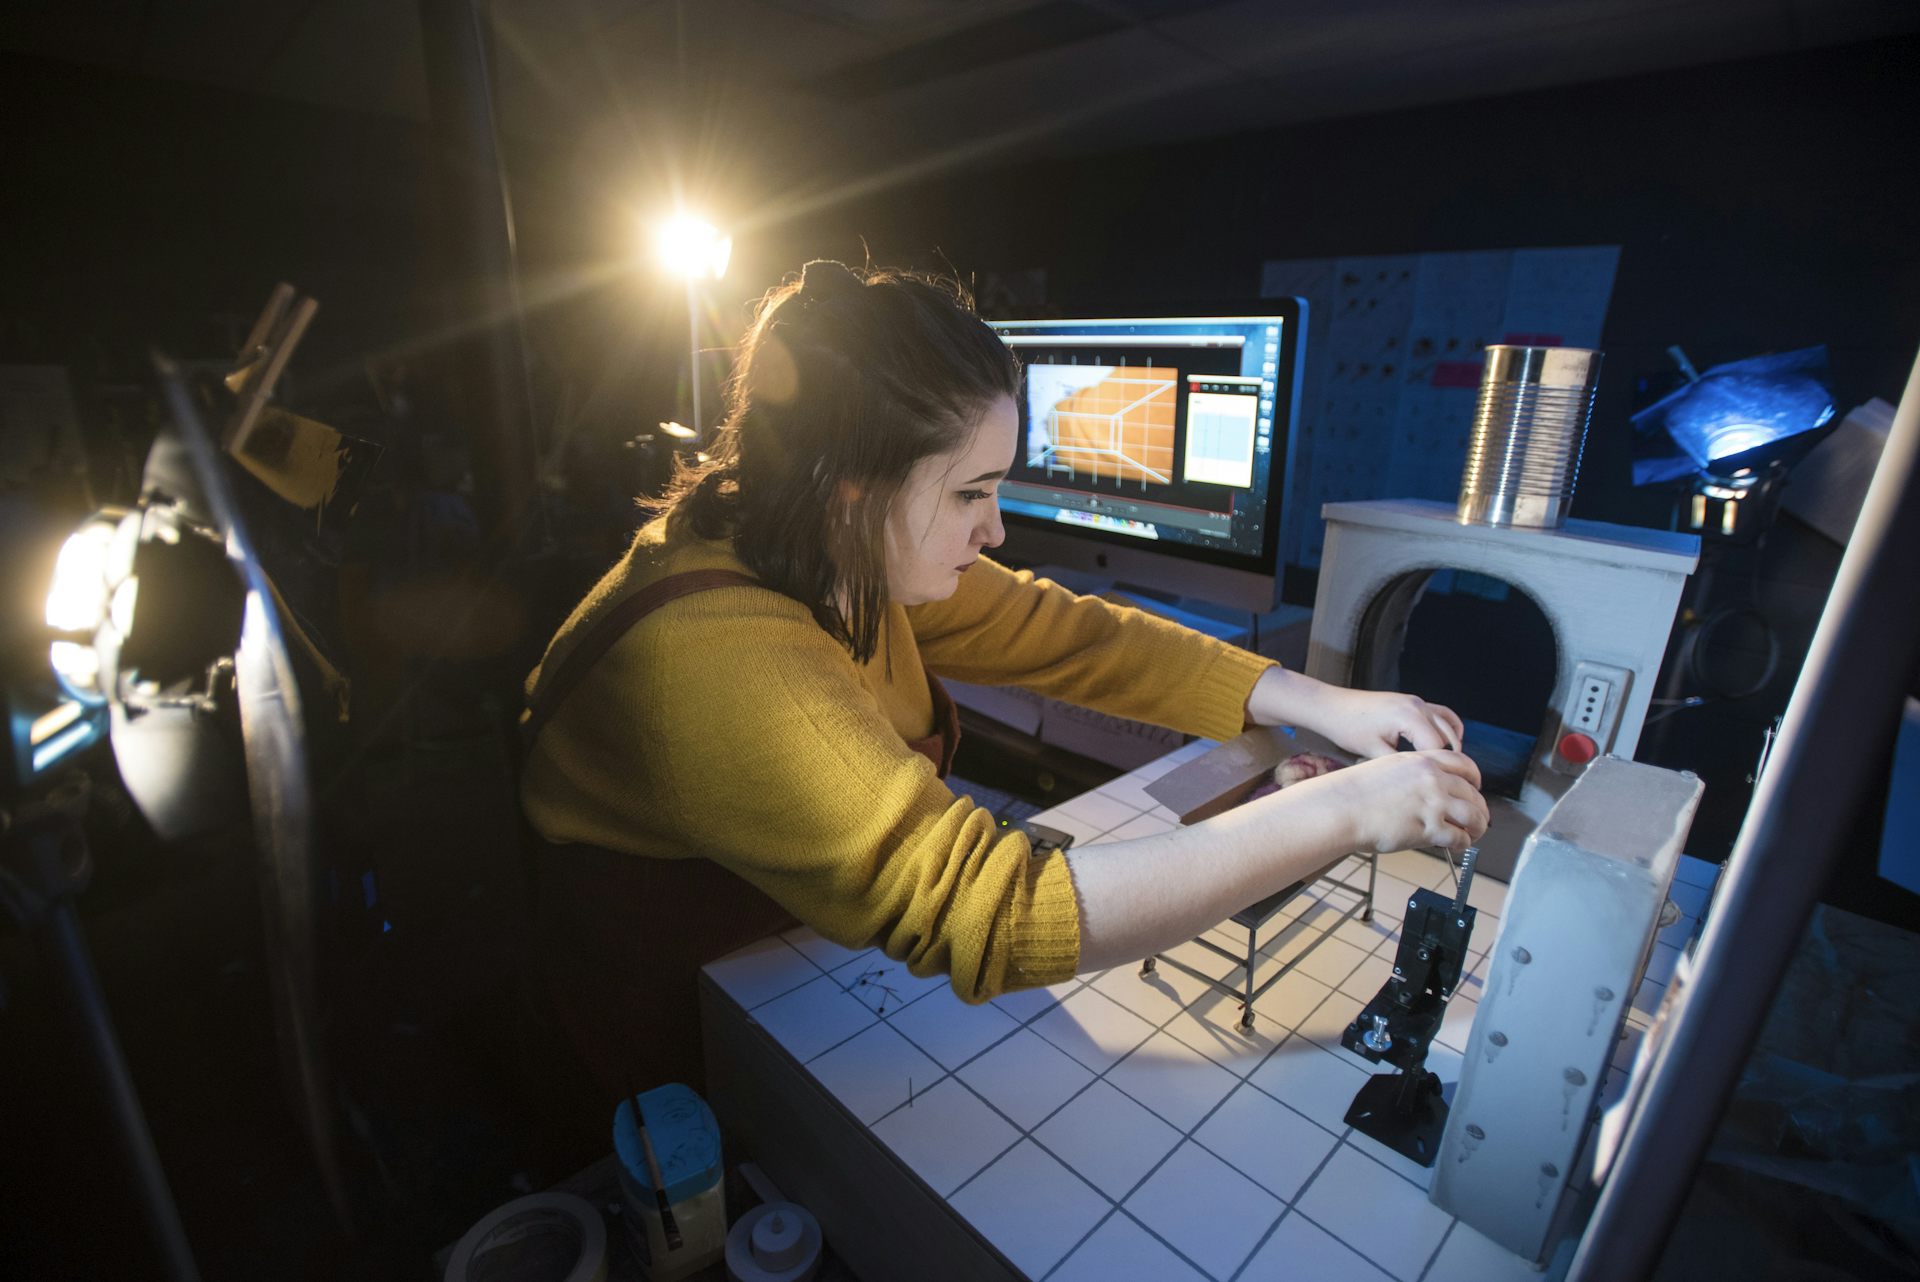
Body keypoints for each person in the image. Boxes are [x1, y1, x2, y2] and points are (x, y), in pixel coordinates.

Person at [518, 260, 1488, 1114]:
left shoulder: (818, 539)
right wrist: (1348, 810)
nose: (995, 532)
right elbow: (1000, 913)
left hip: (783, 924)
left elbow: (1065, 633)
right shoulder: (718, 656)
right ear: (851, 488)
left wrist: (1316, 700)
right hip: (675, 977)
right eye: (971, 493)